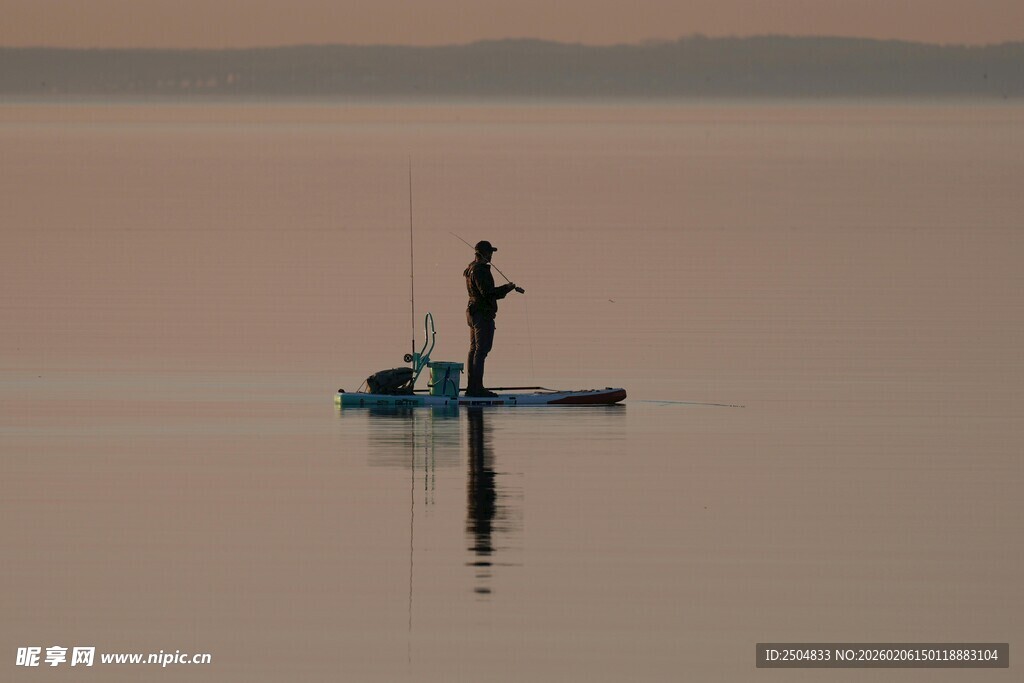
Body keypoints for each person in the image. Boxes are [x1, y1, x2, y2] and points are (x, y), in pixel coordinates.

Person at [464, 240, 520, 397]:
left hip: (473, 312)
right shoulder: (480, 270)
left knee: (474, 349)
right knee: (481, 351)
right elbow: (487, 294)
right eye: (490, 253)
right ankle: (477, 389)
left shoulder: (471, 268)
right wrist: (506, 289)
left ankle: (472, 388)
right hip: (482, 314)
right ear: (483, 254)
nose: (491, 256)